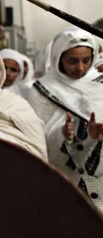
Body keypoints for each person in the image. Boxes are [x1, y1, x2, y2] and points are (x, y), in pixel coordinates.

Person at [28, 27, 103, 212]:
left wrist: (93, 136)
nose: (80, 68)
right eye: (72, 61)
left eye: (86, 60)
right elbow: (35, 137)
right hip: (65, 178)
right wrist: (63, 134)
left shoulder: (99, 83)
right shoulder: (42, 90)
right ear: (58, 58)